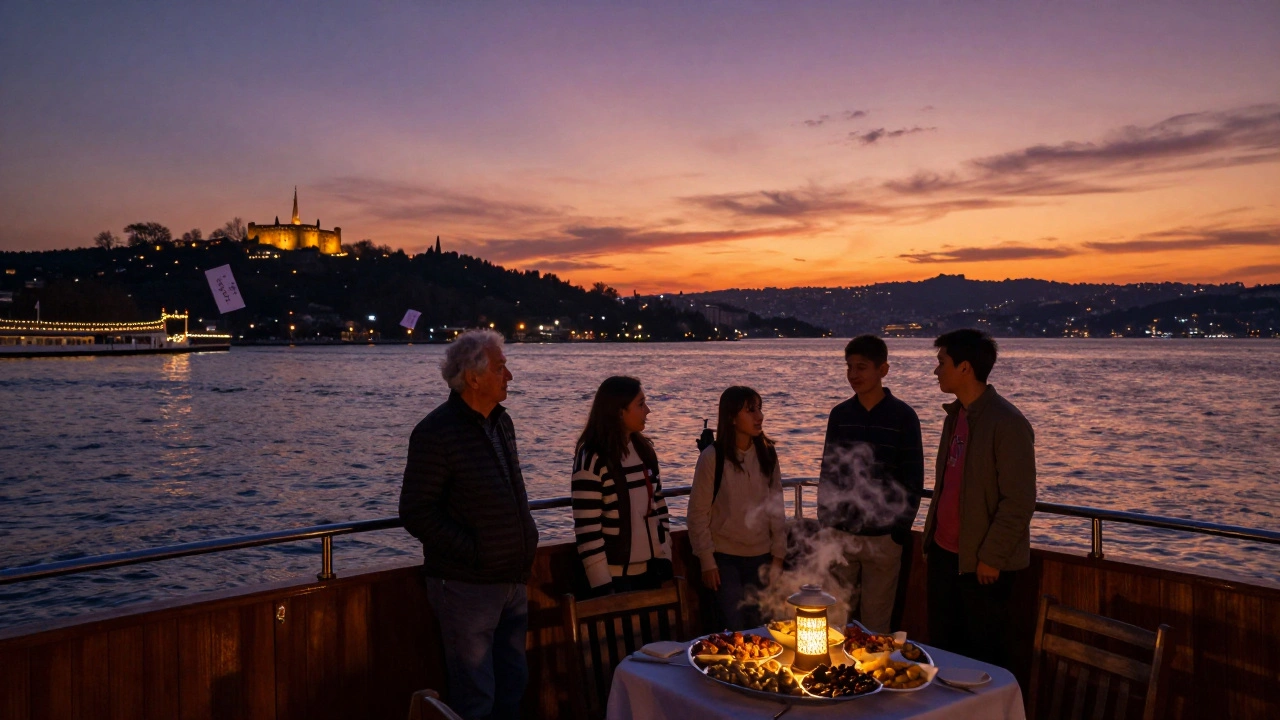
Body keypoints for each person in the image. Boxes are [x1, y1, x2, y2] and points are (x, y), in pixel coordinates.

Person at [399, 329, 538, 720]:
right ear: (473, 378)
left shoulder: (500, 423)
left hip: (511, 580)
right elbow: (416, 511)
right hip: (466, 588)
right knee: (476, 697)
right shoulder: (435, 432)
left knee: (513, 687)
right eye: (500, 368)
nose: (508, 376)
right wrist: (477, 552)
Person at [922, 328, 1036, 668]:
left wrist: (992, 557)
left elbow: (1019, 500)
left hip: (982, 565)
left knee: (981, 660)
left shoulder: (1008, 423)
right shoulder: (955, 416)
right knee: (942, 652)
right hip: (945, 556)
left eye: (941, 362)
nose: (935, 370)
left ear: (965, 368)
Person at [816, 335, 924, 633]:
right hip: (841, 534)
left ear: (883, 369)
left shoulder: (903, 416)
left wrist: (899, 531)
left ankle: (874, 677)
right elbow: (829, 472)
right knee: (833, 622)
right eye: (849, 367)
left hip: (883, 538)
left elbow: (913, 477)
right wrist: (826, 523)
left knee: (877, 625)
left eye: (861, 367)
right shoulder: (840, 415)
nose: (853, 375)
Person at [687, 386, 787, 630]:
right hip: (725, 559)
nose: (759, 416)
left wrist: (778, 558)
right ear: (732, 417)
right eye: (750, 410)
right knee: (733, 628)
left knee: (762, 628)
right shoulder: (713, 457)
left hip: (761, 556)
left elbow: (777, 509)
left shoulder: (768, 455)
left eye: (760, 409)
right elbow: (698, 512)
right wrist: (707, 561)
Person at [571, 376, 673, 595]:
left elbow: (659, 506)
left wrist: (664, 554)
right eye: (640, 404)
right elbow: (587, 528)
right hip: (614, 578)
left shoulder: (643, 450)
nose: (648, 410)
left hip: (650, 570)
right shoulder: (593, 458)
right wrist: (602, 583)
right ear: (619, 411)